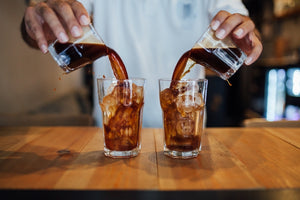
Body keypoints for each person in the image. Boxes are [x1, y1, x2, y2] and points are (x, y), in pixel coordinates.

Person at [21, 0, 263, 127]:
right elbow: (47, 22)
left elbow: (242, 25)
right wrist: (36, 27)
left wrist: (247, 34)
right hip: (109, 135)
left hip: (186, 133)